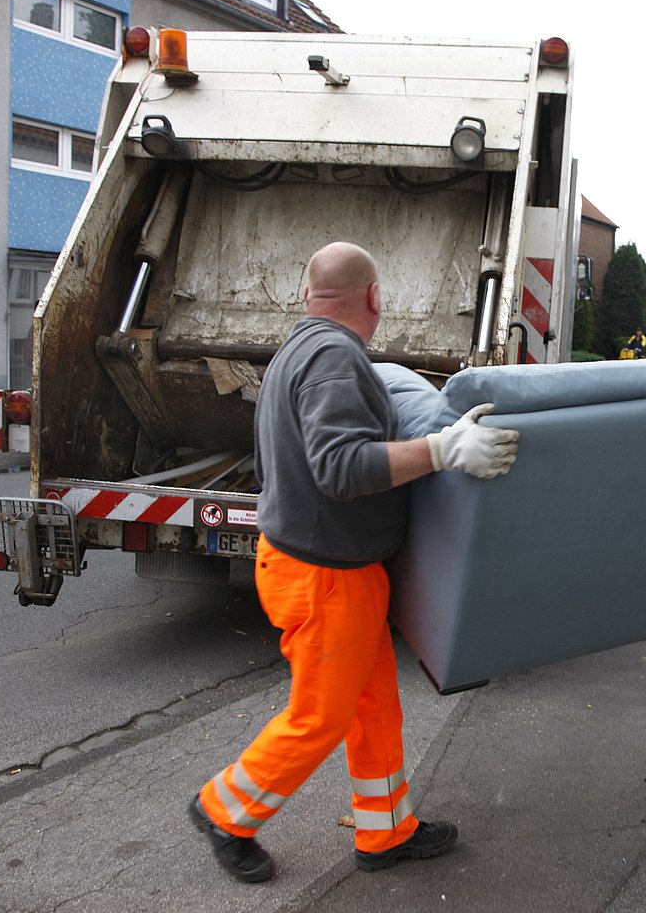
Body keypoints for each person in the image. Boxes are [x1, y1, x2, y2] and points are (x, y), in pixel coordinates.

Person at [189, 242, 520, 883]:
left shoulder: (298, 349)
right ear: (374, 297)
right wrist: (442, 449)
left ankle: (386, 829)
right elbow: (340, 467)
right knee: (323, 715)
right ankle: (224, 811)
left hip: (331, 569)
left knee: (374, 705)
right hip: (323, 579)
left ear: (308, 295)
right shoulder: (336, 359)